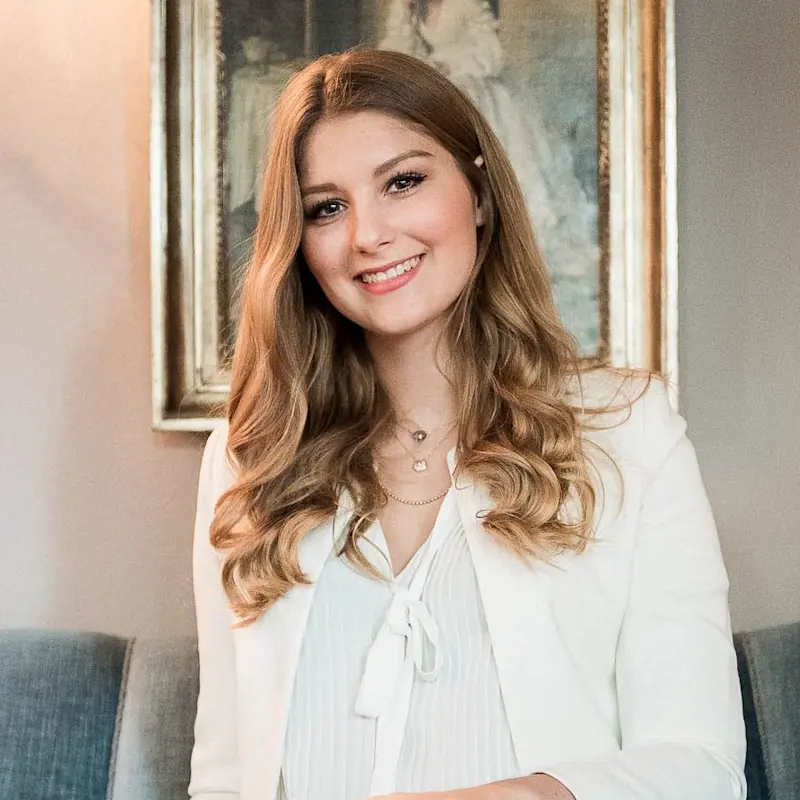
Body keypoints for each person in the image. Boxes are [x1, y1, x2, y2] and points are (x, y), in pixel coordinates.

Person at [189, 49, 746, 800]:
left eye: (403, 182)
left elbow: (699, 766)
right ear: (299, 245)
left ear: (478, 193)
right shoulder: (251, 452)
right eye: (327, 207)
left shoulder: (628, 433)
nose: (367, 235)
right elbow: (224, 774)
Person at [378, 0, 600, 354]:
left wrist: (449, 68)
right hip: (434, 94)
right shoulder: (407, 6)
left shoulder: (464, 4)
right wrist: (417, 75)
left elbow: (490, 52)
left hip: (477, 94)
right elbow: (394, 51)